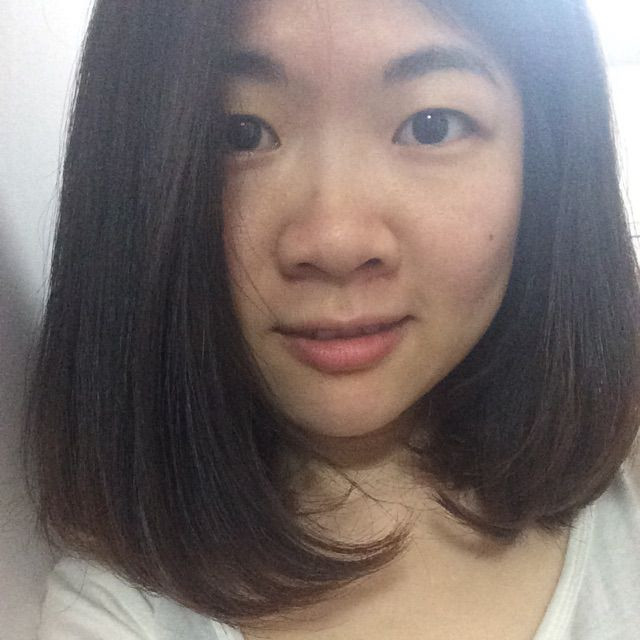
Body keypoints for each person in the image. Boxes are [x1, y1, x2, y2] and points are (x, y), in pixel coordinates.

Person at [24, 0, 640, 638]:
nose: (336, 241)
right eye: (239, 133)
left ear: (547, 164)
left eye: (431, 126)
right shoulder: (118, 612)